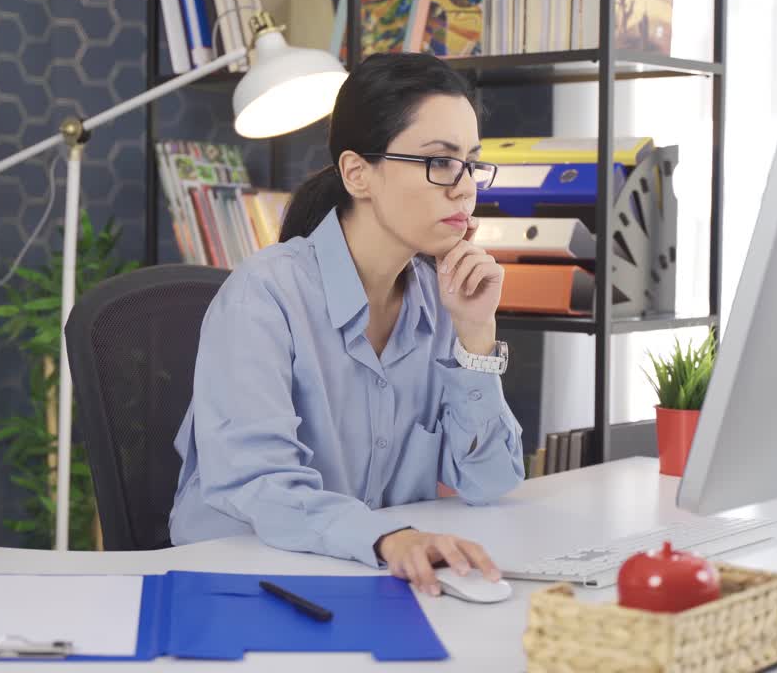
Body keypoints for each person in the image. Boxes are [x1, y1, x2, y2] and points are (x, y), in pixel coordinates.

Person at [169, 52, 525, 597]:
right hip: (240, 580)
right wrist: (387, 538)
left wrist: (476, 336)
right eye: (440, 162)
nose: (464, 187)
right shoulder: (264, 296)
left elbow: (490, 481)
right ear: (358, 173)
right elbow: (259, 483)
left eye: (472, 163)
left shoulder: (441, 295)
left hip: (362, 577)